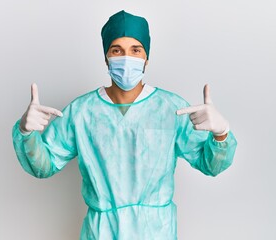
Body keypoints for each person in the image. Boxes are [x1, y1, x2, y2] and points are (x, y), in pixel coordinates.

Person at [12, 10, 237, 240]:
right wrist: (26, 132)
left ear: (146, 58)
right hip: (101, 232)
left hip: (156, 232)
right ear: (106, 57)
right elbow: (44, 165)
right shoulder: (81, 112)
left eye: (135, 50)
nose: (126, 57)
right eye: (117, 50)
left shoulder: (171, 109)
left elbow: (211, 165)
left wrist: (221, 135)